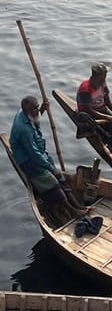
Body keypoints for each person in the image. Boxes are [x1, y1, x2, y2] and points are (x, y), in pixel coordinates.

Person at [10, 96, 87, 225]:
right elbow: (33, 154)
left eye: (37, 107)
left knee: (60, 177)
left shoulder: (27, 115)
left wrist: (43, 109)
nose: (37, 111)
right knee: (51, 182)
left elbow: (35, 121)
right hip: (27, 159)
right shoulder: (23, 129)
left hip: (39, 153)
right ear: (27, 111)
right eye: (34, 109)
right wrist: (51, 168)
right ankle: (72, 211)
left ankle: (77, 205)